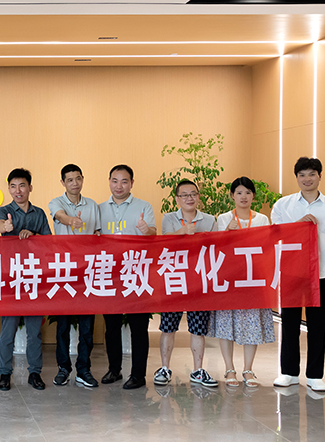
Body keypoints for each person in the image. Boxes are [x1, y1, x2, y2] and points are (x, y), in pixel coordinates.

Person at [271, 157, 325, 392]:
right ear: (296, 178)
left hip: (320, 274)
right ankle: (289, 372)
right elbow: (275, 236)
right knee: (290, 324)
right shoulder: (283, 205)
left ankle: (315, 375)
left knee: (317, 325)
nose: (307, 179)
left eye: (312, 174)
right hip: (291, 273)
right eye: (302, 175)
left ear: (320, 176)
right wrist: (298, 224)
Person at [208, 177, 274, 388]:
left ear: (253, 196)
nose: (243, 197)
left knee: (251, 323)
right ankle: (229, 369)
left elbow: (267, 246)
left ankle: (248, 369)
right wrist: (227, 233)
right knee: (226, 323)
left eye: (247, 192)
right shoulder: (223, 219)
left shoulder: (262, 219)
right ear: (232, 196)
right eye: (239, 192)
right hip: (229, 279)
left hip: (253, 279)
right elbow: (215, 248)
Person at [98, 164, 156, 390]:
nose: (119, 186)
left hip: (136, 271)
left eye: (124, 181)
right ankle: (114, 369)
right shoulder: (99, 209)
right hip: (109, 273)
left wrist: (146, 230)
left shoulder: (144, 206)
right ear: (109, 182)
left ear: (132, 183)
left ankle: (138, 374)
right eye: (115, 180)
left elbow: (153, 234)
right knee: (111, 326)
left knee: (138, 326)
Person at [155, 180, 218, 388]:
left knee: (198, 328)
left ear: (198, 197)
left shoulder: (209, 220)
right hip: (173, 279)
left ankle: (198, 370)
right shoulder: (169, 218)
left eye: (193, 194)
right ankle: (165, 368)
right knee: (168, 326)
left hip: (199, 280)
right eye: (184, 195)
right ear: (177, 199)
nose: (189, 198)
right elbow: (165, 241)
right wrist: (183, 232)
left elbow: (216, 247)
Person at [0, 168, 52, 392]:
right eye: (13, 186)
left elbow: (49, 243)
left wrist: (34, 236)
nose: (17, 190)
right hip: (11, 279)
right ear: (9, 189)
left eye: (22, 185)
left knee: (34, 331)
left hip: (34, 278)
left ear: (30, 187)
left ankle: (35, 373)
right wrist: (5, 227)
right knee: (7, 330)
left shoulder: (39, 213)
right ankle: (4, 373)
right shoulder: (3, 210)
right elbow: (0, 226)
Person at [48, 163, 101, 388]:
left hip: (87, 271)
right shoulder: (56, 202)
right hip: (65, 271)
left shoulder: (93, 205)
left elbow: (98, 234)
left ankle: (84, 369)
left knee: (87, 325)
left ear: (82, 179)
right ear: (63, 182)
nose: (75, 183)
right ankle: (63, 368)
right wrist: (72, 221)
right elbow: (59, 216)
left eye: (78, 178)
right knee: (63, 325)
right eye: (69, 180)